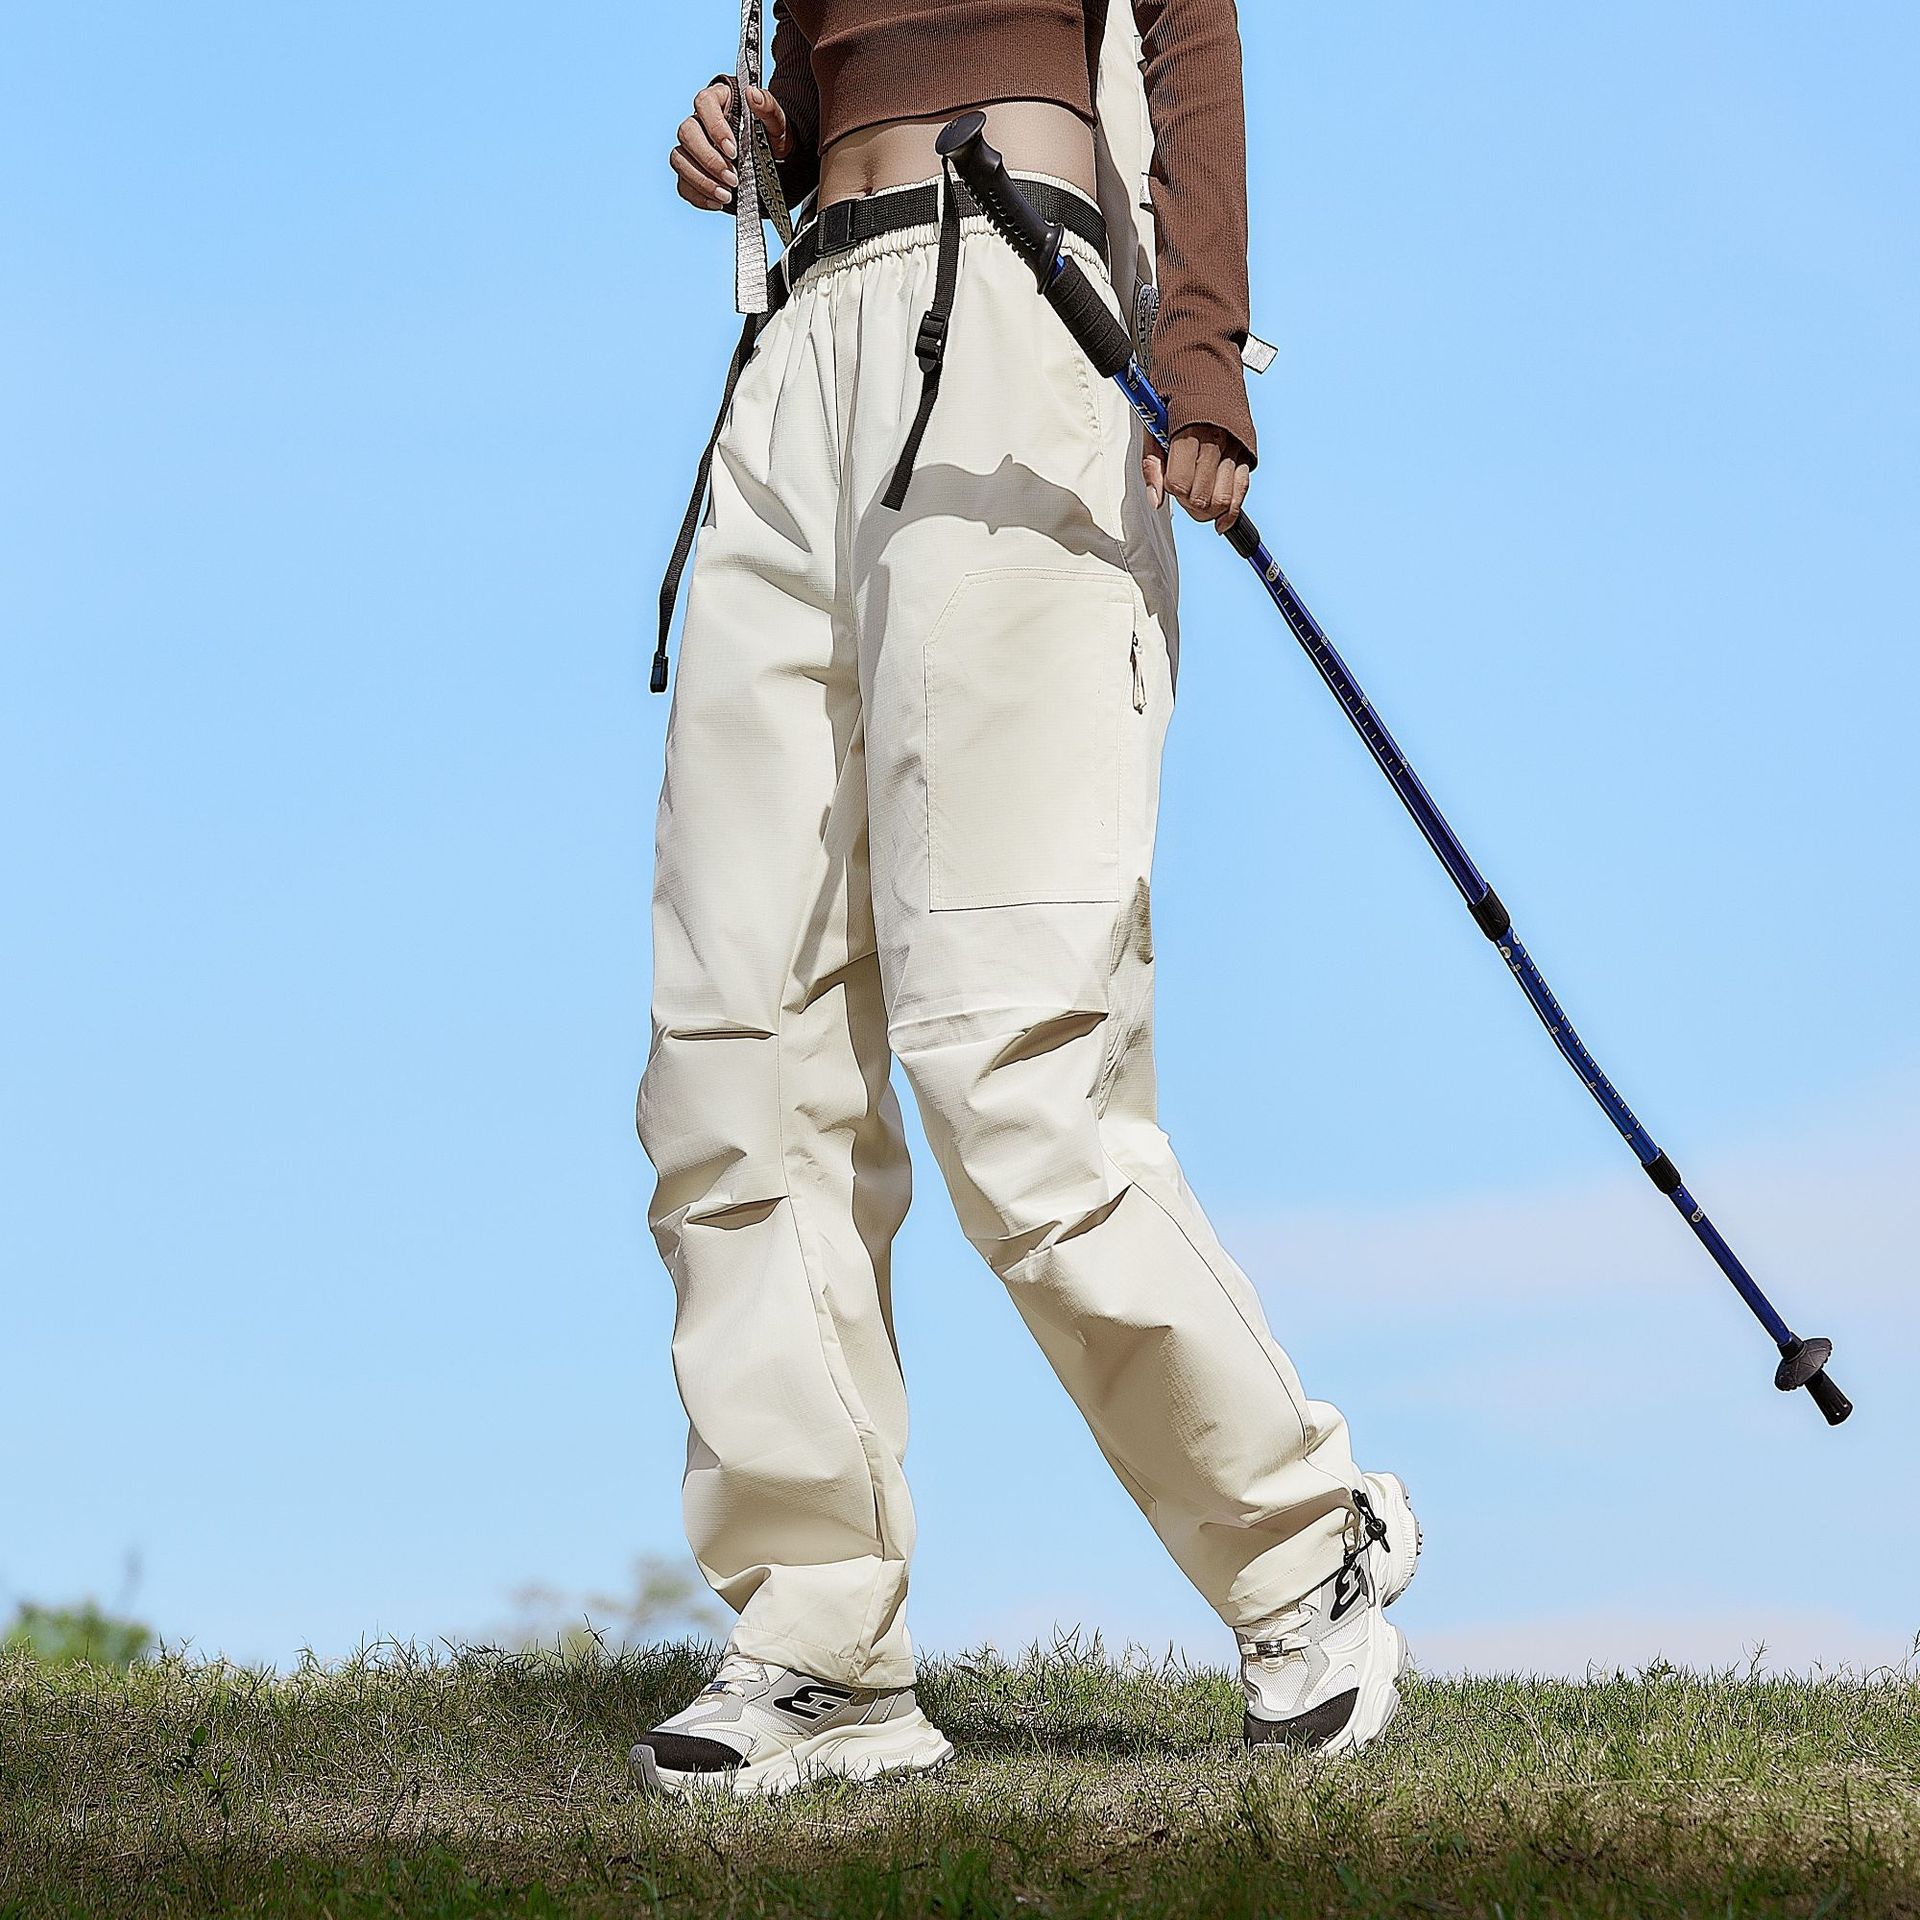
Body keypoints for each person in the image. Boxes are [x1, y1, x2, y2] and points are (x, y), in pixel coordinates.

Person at [630, 0, 1420, 1799]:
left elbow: (1189, 28)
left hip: (1010, 303)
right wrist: (756, 132)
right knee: (734, 1044)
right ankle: (821, 1643)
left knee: (1009, 1055)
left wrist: (1201, 342)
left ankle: (1303, 1550)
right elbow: (836, 68)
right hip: (804, 340)